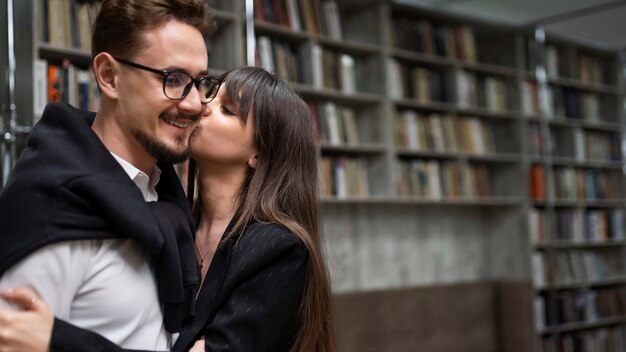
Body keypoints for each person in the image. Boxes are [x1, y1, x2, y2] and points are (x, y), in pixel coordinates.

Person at [0, 66, 337, 352]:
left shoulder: (280, 249)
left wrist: (54, 338)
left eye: (227, 109)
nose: (202, 105)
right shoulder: (175, 219)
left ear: (259, 155)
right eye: (211, 93)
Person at [0, 0, 216, 350]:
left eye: (201, 82)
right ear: (109, 76)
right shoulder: (50, 207)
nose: (195, 104)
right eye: (173, 79)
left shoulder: (165, 196)